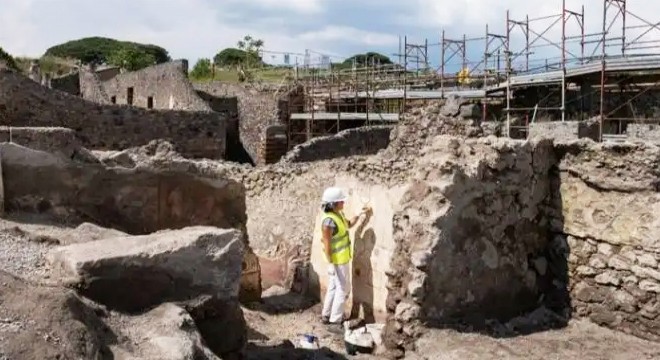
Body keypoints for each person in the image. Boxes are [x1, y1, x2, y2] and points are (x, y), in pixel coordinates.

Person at [319, 186, 371, 325]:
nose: (344, 203)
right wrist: (331, 263)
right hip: (337, 260)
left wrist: (359, 214)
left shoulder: (338, 215)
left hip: (339, 259)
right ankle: (335, 320)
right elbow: (327, 244)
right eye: (341, 201)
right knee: (343, 288)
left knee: (334, 287)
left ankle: (326, 315)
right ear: (333, 204)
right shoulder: (328, 222)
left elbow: (348, 224)